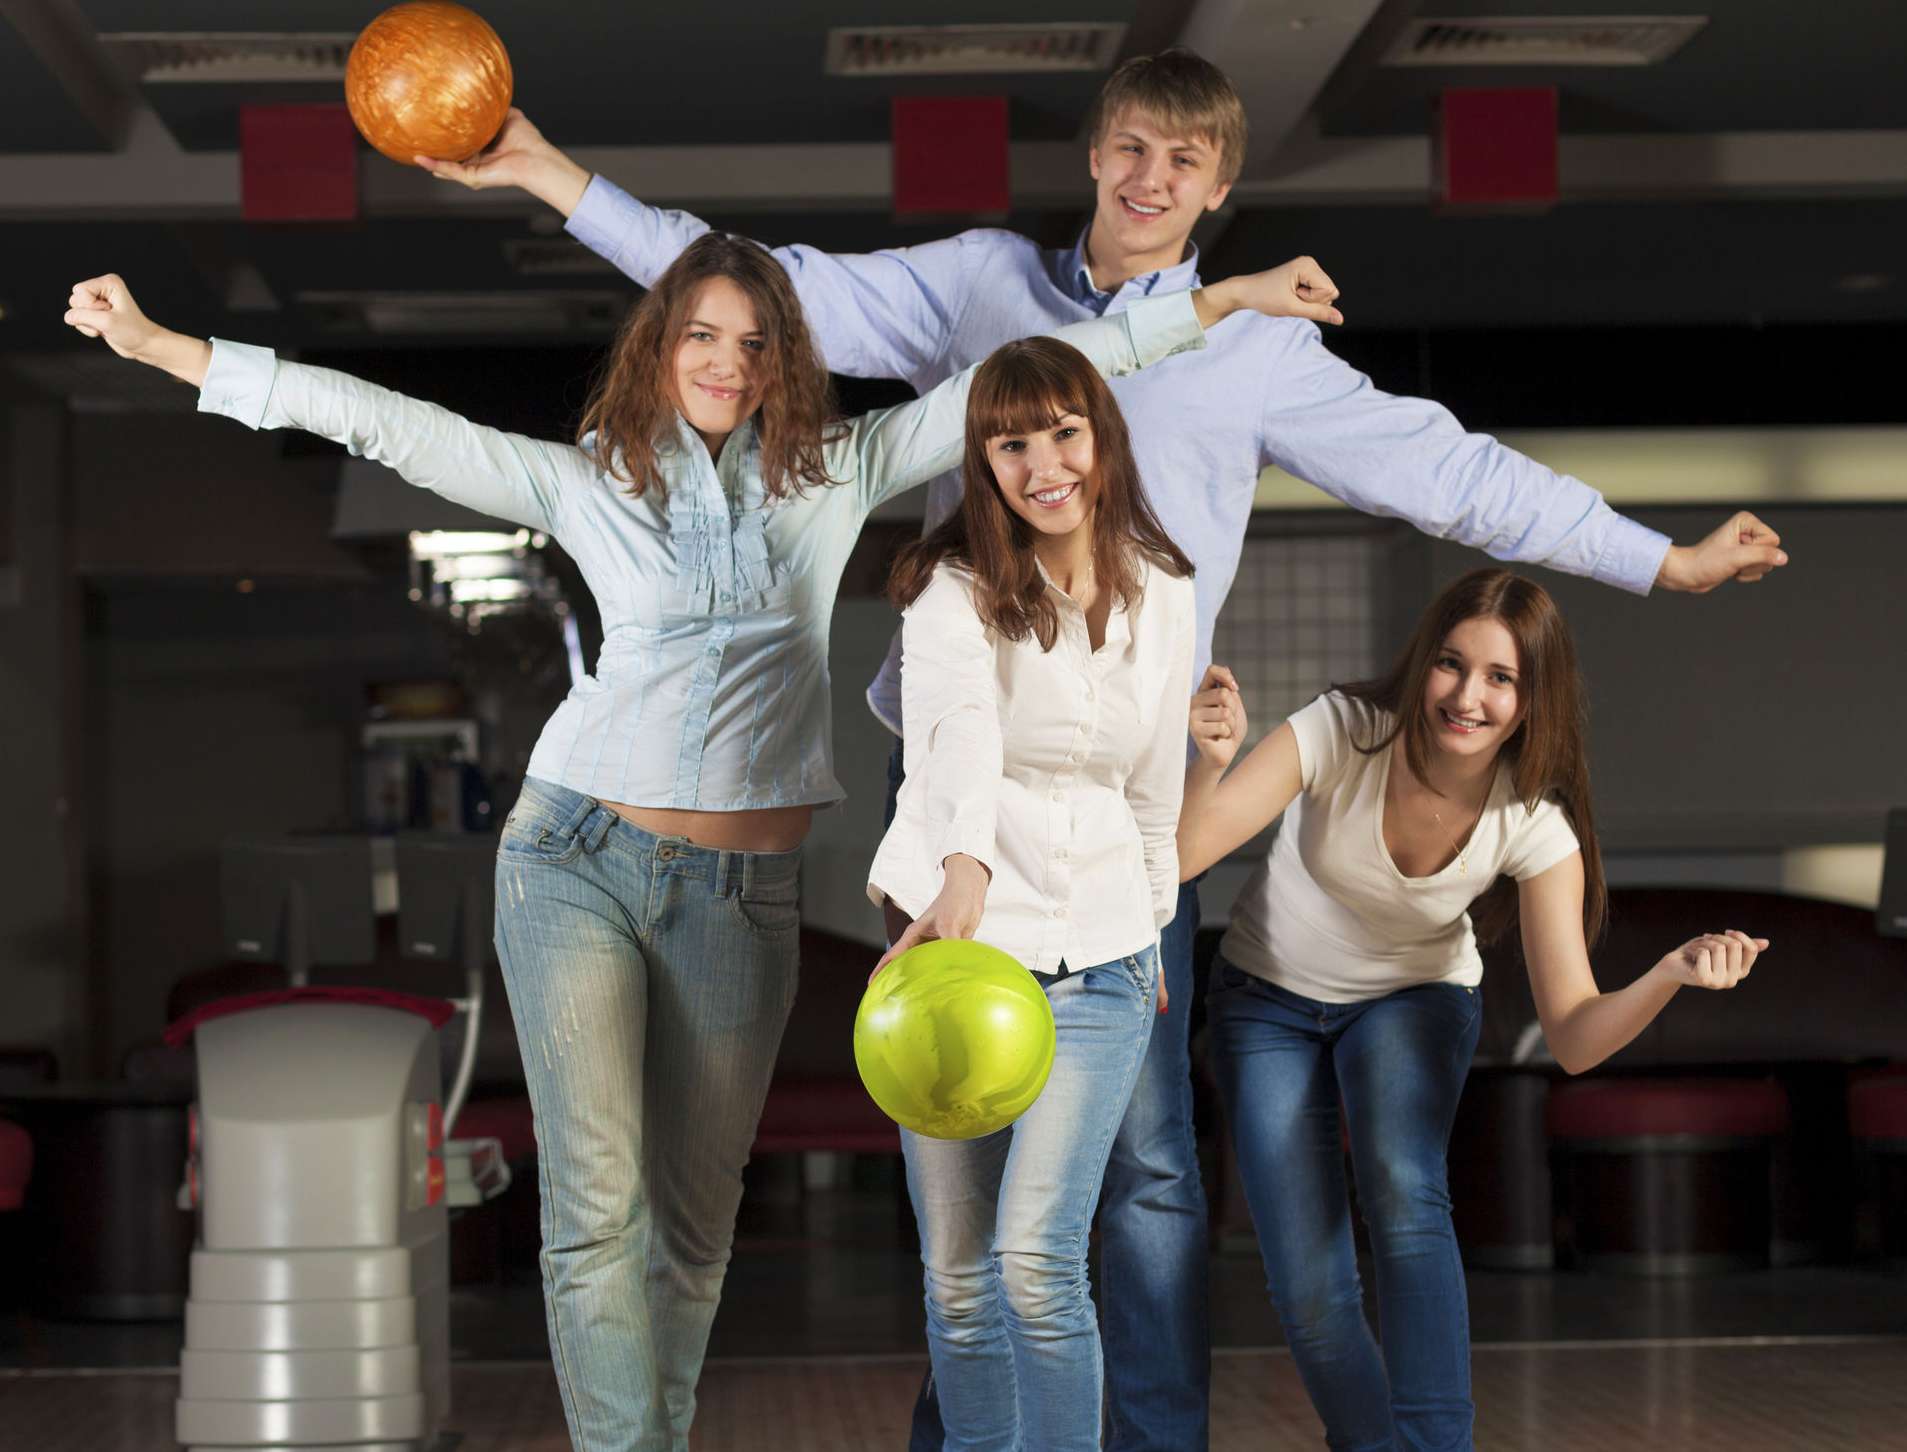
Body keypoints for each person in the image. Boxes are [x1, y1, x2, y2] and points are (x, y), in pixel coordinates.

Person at [423, 49, 1787, 1452]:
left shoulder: (1257, 352)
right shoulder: (976, 286)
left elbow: (1455, 475)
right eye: (1132, 147)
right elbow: (760, 293)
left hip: (1125, 796)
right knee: (955, 1124)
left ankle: (1148, 1442)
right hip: (950, 774)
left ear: (1219, 186)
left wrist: (1660, 561)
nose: (1151, 179)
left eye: (1184, 161)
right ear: (1093, 154)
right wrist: (545, 174)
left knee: (1141, 1159)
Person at [61, 248, 1334, 1452]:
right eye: (701, 336)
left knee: (691, 1225)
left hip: (741, 888)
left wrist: (1217, 300)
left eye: (755, 341)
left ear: (785, 361)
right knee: (594, 1205)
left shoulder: (842, 470)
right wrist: (169, 349)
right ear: (657, 347)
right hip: (574, 854)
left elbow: (1033, 381)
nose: (727, 362)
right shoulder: (586, 484)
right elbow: (389, 424)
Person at [1175, 567, 1768, 1451]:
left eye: (1501, 678)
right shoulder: (1342, 729)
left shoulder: (1533, 822)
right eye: (1451, 664)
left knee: (1404, 1192)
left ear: (1532, 700)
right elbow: (1184, 858)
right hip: (1267, 1001)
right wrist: (1211, 766)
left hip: (1412, 999)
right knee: (1307, 1286)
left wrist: (1668, 974)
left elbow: (1572, 1037)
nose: (1466, 697)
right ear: (1423, 660)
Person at [866, 329, 1195, 1452]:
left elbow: (1152, 788)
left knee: (1036, 1265)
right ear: (984, 463)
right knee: (960, 1281)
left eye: (1062, 432)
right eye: (1011, 445)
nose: (1042, 464)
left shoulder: (1164, 590)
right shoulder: (948, 590)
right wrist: (963, 875)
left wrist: (1153, 926)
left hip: (1102, 961)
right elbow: (954, 737)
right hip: (956, 961)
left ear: (1101, 437)